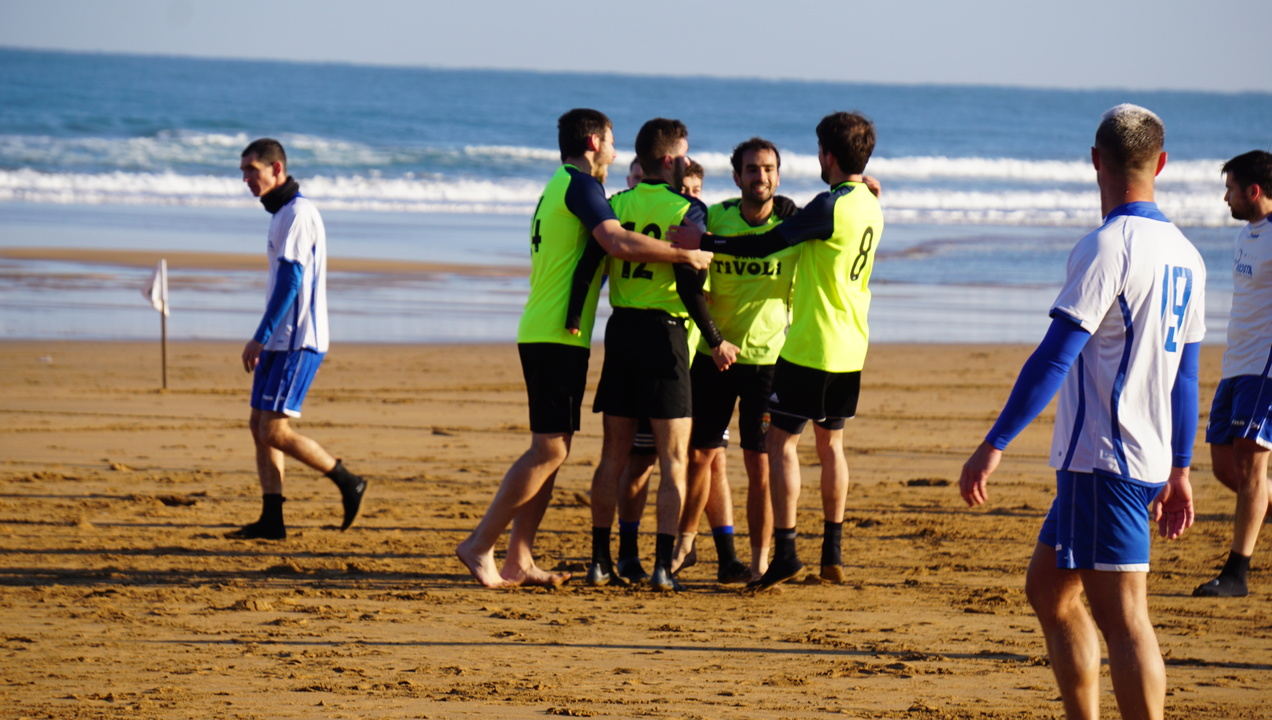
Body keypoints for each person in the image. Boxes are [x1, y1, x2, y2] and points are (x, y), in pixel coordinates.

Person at [958, 104, 1204, 720]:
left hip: (1105, 460)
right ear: (1161, 164)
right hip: (1135, 459)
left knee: (1124, 617)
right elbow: (1186, 376)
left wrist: (994, 443)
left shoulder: (1107, 247)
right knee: (1049, 590)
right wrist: (1179, 467)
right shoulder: (1186, 254)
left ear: (1096, 160)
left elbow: (1053, 357)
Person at [456, 109, 712, 587]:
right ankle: (479, 544)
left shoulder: (561, 185)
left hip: (553, 330)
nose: (615, 154)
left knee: (555, 451)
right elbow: (616, 242)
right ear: (594, 142)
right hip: (555, 335)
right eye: (611, 143)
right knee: (549, 450)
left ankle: (520, 557)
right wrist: (684, 253)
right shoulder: (582, 186)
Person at [671, 112, 883, 591]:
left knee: (778, 446)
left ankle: (782, 553)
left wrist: (703, 241)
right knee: (830, 446)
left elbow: (765, 244)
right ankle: (830, 553)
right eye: (753, 169)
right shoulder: (870, 204)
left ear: (827, 155)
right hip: (852, 346)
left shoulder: (827, 207)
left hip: (809, 348)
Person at [570, 117, 739, 591]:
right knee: (673, 460)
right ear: (668, 160)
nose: (688, 160)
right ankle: (663, 566)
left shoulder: (616, 203)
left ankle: (601, 561)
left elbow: (590, 262)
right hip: (666, 338)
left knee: (613, 456)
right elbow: (688, 285)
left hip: (621, 332)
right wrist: (714, 339)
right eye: (684, 153)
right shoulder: (688, 209)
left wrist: (574, 315)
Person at [229, 138, 367, 541]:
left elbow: (291, 282)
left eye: (252, 170)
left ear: (276, 169)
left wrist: (259, 336)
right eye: (243, 171)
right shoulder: (280, 213)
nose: (246, 178)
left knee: (274, 431)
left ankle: (347, 480)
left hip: (298, 339)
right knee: (259, 425)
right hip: (280, 339)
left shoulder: (298, 213)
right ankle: (272, 519)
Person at [676, 138, 799, 583]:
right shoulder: (714, 218)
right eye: (751, 169)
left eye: (768, 169)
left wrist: (868, 193)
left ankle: (760, 561)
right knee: (700, 456)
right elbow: (690, 283)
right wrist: (715, 340)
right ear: (736, 177)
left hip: (768, 360)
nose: (760, 176)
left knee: (759, 465)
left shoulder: (794, 223)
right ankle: (684, 546)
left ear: (778, 176)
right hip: (716, 356)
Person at [1194, 150, 1272, 598]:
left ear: (1253, 191)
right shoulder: (1247, 235)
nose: (1226, 198)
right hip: (1235, 365)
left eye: (1230, 190)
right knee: (1225, 466)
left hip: (1265, 367)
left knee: (1250, 467)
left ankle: (1236, 573)